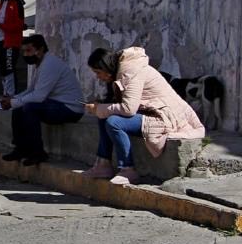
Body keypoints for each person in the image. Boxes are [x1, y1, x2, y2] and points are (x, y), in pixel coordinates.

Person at [82, 47, 205, 184]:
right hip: (150, 112)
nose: (98, 77)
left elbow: (128, 109)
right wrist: (100, 108)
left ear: (106, 67)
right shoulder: (122, 71)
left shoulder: (131, 71)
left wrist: (100, 108)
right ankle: (103, 164)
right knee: (103, 116)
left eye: (98, 72)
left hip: (163, 117)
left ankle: (127, 169)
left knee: (113, 122)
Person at [0, 35, 84, 166]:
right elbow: (31, 90)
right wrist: (13, 99)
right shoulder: (41, 64)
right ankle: (20, 149)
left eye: (29, 50)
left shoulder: (50, 64)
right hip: (55, 104)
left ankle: (37, 152)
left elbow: (38, 96)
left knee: (30, 108)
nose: (26, 55)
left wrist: (13, 102)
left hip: (70, 109)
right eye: (24, 51)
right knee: (19, 109)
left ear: (40, 49)